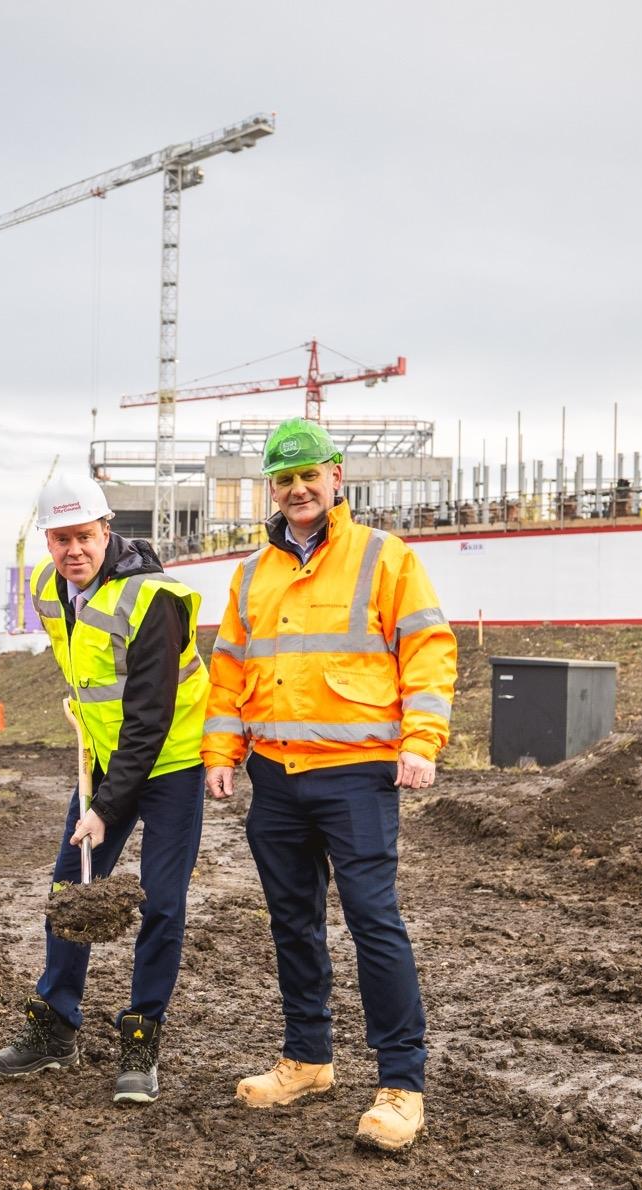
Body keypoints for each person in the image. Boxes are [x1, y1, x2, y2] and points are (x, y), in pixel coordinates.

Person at [202, 419, 459, 1152]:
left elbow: (429, 651)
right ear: (271, 490)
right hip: (275, 779)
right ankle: (309, 1058)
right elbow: (229, 671)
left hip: (356, 777)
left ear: (336, 476)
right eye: (284, 479)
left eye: (309, 475)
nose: (298, 489)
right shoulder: (252, 572)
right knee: (292, 923)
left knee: (374, 922)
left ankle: (402, 1085)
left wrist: (422, 741)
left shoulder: (385, 557)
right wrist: (222, 750)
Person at [0, 475, 208, 1104]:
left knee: (160, 900)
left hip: (172, 762)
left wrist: (104, 809)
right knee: (69, 890)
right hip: (105, 757)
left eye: (84, 536)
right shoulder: (49, 588)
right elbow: (88, 672)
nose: (73, 549)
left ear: (107, 531)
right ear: (46, 541)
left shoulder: (153, 599)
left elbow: (150, 716)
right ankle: (55, 1027)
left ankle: (141, 1037)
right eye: (60, 538)